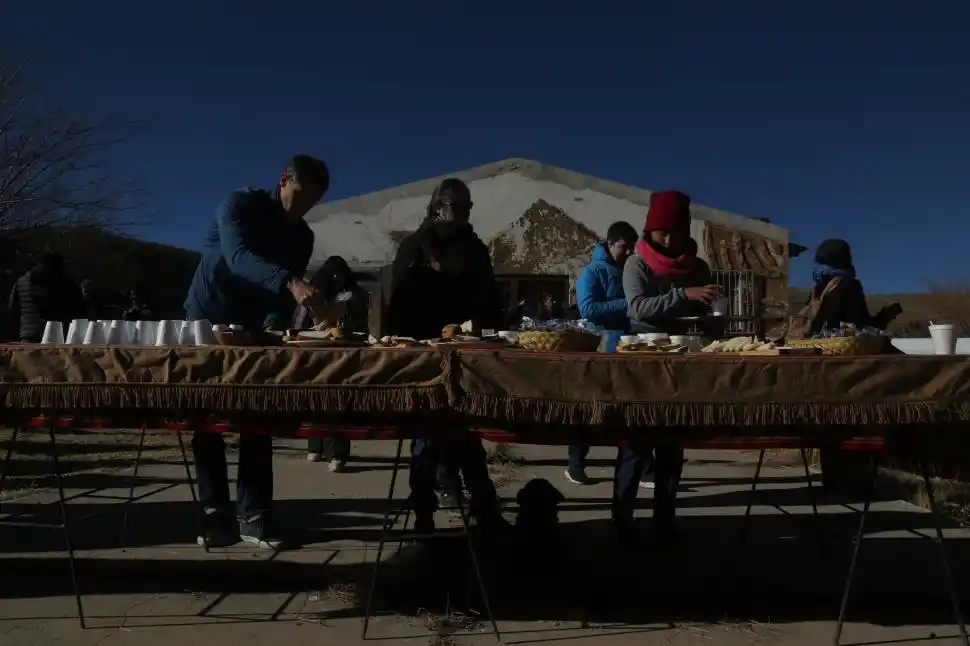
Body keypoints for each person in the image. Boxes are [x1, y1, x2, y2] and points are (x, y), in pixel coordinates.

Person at [183, 154, 329, 549]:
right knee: (208, 415)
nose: (302, 207)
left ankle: (256, 512)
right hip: (208, 314)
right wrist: (290, 282)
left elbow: (281, 301)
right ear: (283, 180)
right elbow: (238, 257)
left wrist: (275, 328)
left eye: (312, 201)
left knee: (258, 411)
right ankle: (214, 511)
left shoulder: (302, 237)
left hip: (254, 324)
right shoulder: (239, 205)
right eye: (299, 194)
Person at [387, 220, 507, 533]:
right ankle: (423, 516)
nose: (462, 260)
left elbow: (485, 318)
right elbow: (397, 331)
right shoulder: (414, 283)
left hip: (462, 377)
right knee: (426, 448)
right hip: (425, 377)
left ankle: (486, 512)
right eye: (456, 254)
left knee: (469, 445)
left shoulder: (468, 281)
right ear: (436, 256)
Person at [622, 190, 720, 544]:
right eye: (661, 232)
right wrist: (682, 295)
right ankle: (622, 522)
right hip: (643, 358)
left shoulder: (698, 267)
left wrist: (714, 320)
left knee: (672, 445)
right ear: (648, 231)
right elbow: (637, 309)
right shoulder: (638, 263)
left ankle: (664, 520)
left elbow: (707, 310)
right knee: (635, 443)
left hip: (683, 358)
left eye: (675, 232)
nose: (668, 239)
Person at [566, 221, 657, 489]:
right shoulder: (591, 272)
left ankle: (643, 468)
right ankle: (576, 463)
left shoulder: (630, 270)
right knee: (593, 410)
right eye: (623, 247)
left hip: (629, 346)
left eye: (632, 247)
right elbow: (588, 310)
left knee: (633, 409)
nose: (628, 252)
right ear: (609, 243)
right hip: (602, 347)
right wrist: (629, 304)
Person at [294, 255, 370, 470]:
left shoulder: (339, 292)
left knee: (325, 399)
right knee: (331, 400)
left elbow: (300, 322)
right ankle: (328, 451)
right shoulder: (338, 291)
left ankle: (323, 449)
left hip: (325, 349)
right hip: (331, 350)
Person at [810, 238, 901, 333]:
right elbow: (860, 323)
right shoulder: (848, 284)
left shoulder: (819, 282)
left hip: (828, 343)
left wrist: (884, 317)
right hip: (839, 344)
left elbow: (862, 322)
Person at [7, 253, 84, 343]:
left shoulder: (21, 282)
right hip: (56, 333)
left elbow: (13, 308)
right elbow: (78, 309)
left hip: (29, 334)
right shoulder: (64, 283)